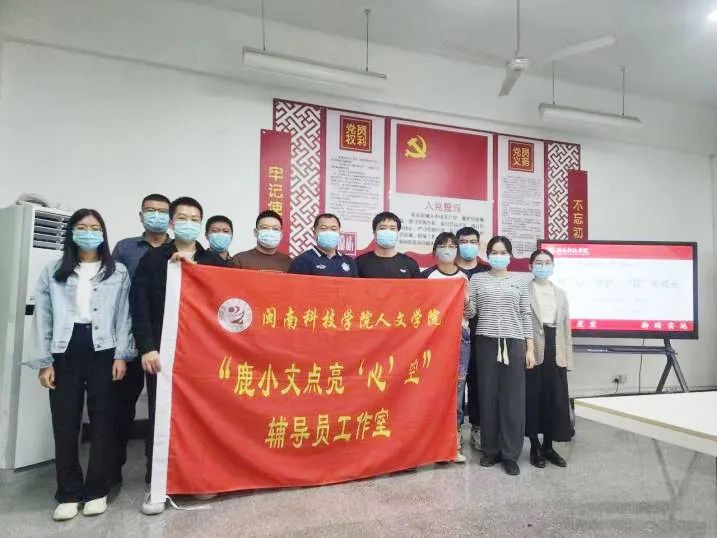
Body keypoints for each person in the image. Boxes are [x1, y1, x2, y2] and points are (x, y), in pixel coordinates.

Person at [30, 209, 134, 521]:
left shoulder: (117, 271)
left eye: (95, 227)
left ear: (103, 233)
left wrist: (121, 355)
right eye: (82, 227)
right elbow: (43, 316)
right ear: (72, 233)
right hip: (65, 347)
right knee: (65, 422)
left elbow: (124, 315)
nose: (89, 232)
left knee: (104, 421)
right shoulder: (54, 270)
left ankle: (97, 490)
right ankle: (68, 492)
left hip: (104, 347)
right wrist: (44, 361)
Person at [130, 196, 205, 515]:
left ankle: (197, 478)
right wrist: (147, 347)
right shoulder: (154, 259)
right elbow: (139, 305)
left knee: (201, 418)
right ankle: (157, 483)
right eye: (183, 218)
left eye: (195, 218)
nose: (189, 223)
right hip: (163, 353)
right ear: (173, 222)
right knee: (162, 415)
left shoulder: (212, 260)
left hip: (203, 355)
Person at [110, 193, 171, 486]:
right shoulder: (125, 249)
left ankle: (155, 473)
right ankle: (111, 473)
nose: (156, 215)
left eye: (162, 211)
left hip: (165, 341)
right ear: (141, 215)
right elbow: (113, 293)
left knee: (162, 409)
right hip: (129, 339)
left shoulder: (178, 250)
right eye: (150, 210)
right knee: (121, 408)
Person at [465, 236, 534, 476]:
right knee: (488, 397)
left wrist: (530, 348)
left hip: (514, 343)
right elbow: (471, 312)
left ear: (510, 256)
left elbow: (525, 314)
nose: (498, 256)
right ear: (487, 255)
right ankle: (490, 450)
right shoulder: (477, 279)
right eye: (494, 252)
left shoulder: (520, 281)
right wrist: (465, 300)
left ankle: (510, 454)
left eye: (503, 252)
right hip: (485, 342)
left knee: (512, 400)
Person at [422, 232, 470, 464]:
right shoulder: (426, 276)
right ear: (435, 250)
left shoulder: (464, 277)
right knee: (431, 390)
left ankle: (453, 442)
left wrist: (467, 300)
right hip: (432, 339)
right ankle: (430, 442)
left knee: (457, 391)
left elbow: (471, 313)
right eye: (443, 245)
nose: (447, 249)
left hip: (459, 338)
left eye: (452, 245)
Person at [525, 248, 573, 468]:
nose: (543, 266)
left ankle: (548, 446)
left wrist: (568, 359)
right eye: (539, 263)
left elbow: (566, 328)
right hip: (533, 347)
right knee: (533, 398)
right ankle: (534, 446)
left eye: (547, 263)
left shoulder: (560, 293)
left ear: (553, 266)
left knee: (555, 399)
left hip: (556, 348)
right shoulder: (524, 290)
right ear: (530, 266)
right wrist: (526, 351)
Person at [454, 227, 490, 451]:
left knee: (478, 384)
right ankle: (454, 430)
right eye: (463, 241)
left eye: (472, 241)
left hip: (482, 337)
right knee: (455, 386)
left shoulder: (486, 271)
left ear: (478, 244)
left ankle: (477, 428)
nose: (468, 245)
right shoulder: (450, 270)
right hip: (455, 339)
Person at [288, 213, 357, 277]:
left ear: (339, 233)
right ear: (314, 233)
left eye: (333, 229)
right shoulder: (302, 260)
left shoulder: (349, 261)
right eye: (323, 228)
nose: (329, 232)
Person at [356, 212, 421, 278]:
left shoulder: (410, 264)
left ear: (397, 233)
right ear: (374, 233)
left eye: (392, 228)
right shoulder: (360, 263)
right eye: (382, 228)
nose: (387, 232)